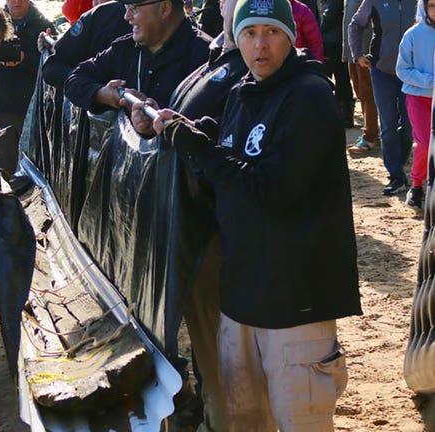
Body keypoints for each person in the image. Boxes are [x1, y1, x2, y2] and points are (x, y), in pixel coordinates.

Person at [149, 0, 362, 427]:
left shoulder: (309, 95)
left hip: (295, 303)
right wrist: (200, 133)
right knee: (244, 418)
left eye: (271, 32)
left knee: (299, 419)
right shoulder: (243, 91)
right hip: (243, 296)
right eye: (249, 33)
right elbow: (235, 152)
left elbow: (272, 189)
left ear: (291, 35)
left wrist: (197, 146)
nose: (259, 45)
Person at [129, 0, 247, 429]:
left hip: (225, 232)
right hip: (191, 226)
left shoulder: (253, 68)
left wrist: (186, 134)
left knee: (227, 356)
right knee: (208, 344)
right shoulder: (218, 55)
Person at [64, 0, 212, 113]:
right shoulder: (124, 50)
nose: (126, 16)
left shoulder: (208, 58)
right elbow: (74, 79)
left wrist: (154, 114)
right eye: (126, 8)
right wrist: (103, 94)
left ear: (165, 8)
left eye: (133, 8)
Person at [349, 0, 416, 195]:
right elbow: (356, 25)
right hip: (382, 71)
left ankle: (399, 162)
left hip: (412, 73)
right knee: (388, 125)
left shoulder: (420, 2)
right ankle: (396, 176)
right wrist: (357, 55)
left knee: (408, 125)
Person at [0, 0, 54, 175]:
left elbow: (52, 66)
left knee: (36, 156)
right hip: (4, 101)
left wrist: (25, 60)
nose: (17, 1)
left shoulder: (43, 24)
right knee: (7, 156)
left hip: (34, 103)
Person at [396, 0, 435, 212]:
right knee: (426, 142)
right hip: (418, 97)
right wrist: (430, 81)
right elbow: (402, 70)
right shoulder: (412, 34)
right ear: (424, 7)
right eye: (432, 5)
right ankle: (417, 185)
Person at [40, 0, 132, 88]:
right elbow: (53, 66)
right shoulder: (98, 15)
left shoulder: (102, 14)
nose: (129, 16)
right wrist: (94, 90)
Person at [343, 0, 379, 151]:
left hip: (365, 46)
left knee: (367, 92)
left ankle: (370, 136)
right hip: (353, 47)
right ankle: (370, 131)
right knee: (359, 90)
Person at [320, 0, 354, 126]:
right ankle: (343, 112)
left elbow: (331, 13)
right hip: (335, 37)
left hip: (334, 39)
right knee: (341, 77)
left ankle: (343, 114)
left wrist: (318, 29)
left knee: (340, 77)